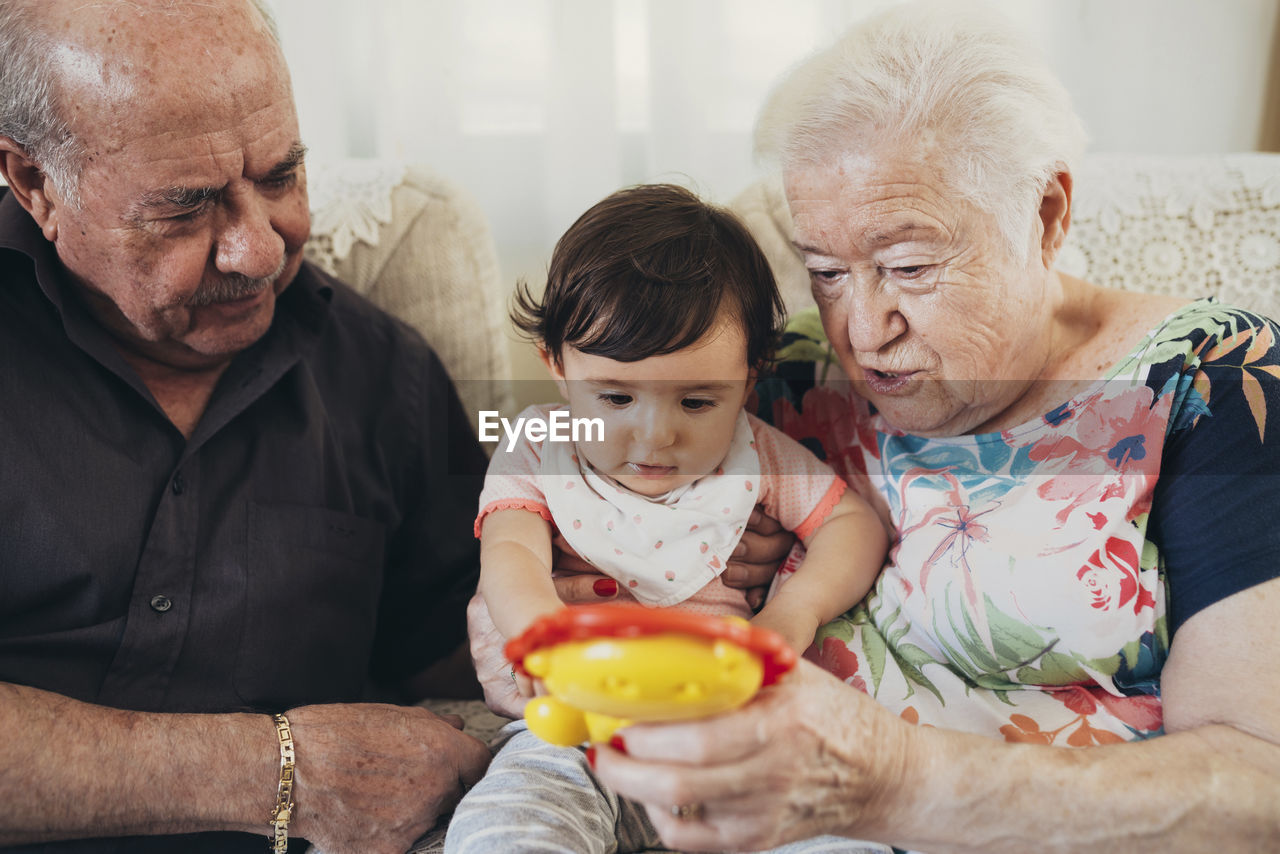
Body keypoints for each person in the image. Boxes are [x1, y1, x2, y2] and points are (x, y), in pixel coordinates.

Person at [533, 5, 1279, 853]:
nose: (863, 328)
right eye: (826, 273)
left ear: (1046, 215)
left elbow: (1261, 780)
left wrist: (894, 783)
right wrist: (522, 618)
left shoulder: (1218, 386)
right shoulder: (779, 377)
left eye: (909, 268)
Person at [0, 1, 499, 852]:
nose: (261, 250)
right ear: (36, 184)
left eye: (280, 176)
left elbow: (459, 654)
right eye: (186, 207)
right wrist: (277, 773)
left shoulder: (385, 376)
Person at [446, 184, 890, 854]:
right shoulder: (536, 447)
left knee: (840, 834)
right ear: (558, 370)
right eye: (617, 397)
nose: (655, 437)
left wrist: (793, 613)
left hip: (730, 733)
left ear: (750, 377)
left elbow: (853, 526)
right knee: (510, 822)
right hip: (577, 728)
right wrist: (543, 633)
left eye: (696, 402)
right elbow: (511, 554)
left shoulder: (759, 455)